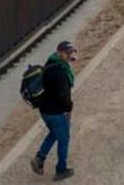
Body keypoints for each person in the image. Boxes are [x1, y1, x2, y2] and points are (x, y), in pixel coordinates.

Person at [31, 41, 77, 180]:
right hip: (56, 111)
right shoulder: (60, 71)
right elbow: (63, 94)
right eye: (67, 53)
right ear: (60, 52)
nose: (70, 56)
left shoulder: (50, 63)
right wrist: (68, 109)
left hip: (45, 110)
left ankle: (39, 158)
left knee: (55, 133)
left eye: (71, 53)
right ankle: (61, 170)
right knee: (64, 139)